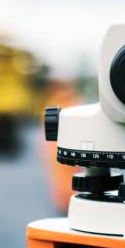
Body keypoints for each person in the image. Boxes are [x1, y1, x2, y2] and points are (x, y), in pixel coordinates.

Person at [40, 80, 83, 212]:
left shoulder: (74, 104)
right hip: (56, 153)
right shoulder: (55, 105)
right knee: (61, 181)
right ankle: (64, 203)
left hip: (68, 154)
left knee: (71, 179)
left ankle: (69, 202)